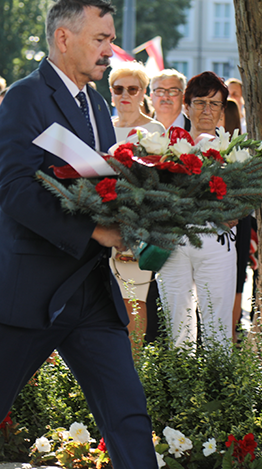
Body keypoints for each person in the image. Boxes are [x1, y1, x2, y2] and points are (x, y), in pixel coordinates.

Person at [0, 0, 156, 469]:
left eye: (111, 40)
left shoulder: (93, 101)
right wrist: (98, 233)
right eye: (101, 39)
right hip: (26, 292)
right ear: (64, 38)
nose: (110, 50)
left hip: (88, 289)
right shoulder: (26, 98)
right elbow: (16, 193)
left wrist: (134, 215)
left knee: (128, 412)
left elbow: (99, 184)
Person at [156, 71, 240, 349]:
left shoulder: (233, 150)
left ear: (222, 110)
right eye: (200, 102)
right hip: (173, 243)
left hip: (216, 242)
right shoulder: (166, 147)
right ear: (187, 106)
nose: (207, 109)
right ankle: (182, 388)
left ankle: (220, 389)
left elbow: (245, 200)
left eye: (214, 104)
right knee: (177, 326)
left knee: (218, 327)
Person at [107, 62, 164, 347]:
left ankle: (135, 375)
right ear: (111, 92)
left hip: (136, 226)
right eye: (118, 89)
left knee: (134, 303)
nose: (125, 95)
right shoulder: (103, 126)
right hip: (98, 225)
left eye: (132, 88)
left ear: (143, 93)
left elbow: (160, 183)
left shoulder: (154, 129)